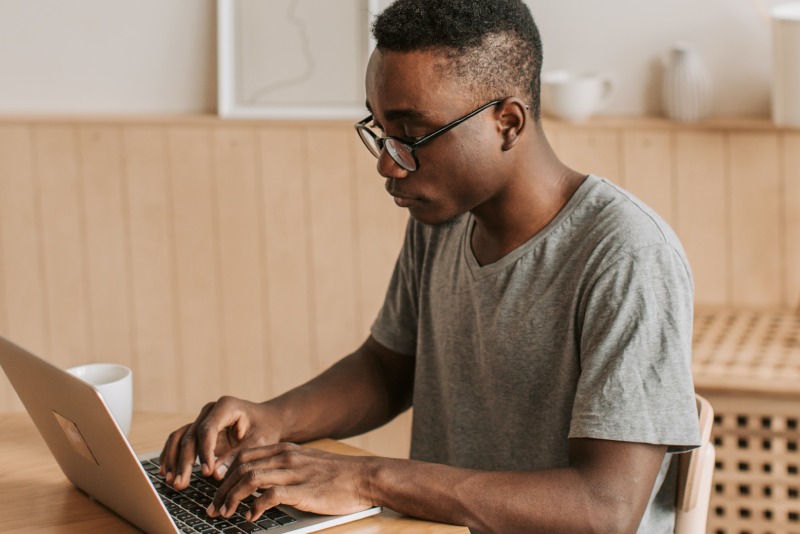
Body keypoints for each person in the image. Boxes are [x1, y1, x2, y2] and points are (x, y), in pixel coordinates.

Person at [160, 1, 700, 532]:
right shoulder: (441, 220)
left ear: (507, 123)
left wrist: (371, 478)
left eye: (411, 135)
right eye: (379, 130)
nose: (387, 162)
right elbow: (386, 370)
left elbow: (603, 509)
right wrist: (274, 420)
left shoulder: (627, 256)